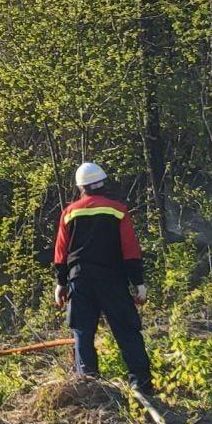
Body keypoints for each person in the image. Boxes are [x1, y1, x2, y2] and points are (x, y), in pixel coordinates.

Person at [53, 161, 153, 393]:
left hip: (79, 280)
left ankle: (87, 387)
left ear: (81, 187)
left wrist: (61, 283)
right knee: (127, 330)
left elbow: (61, 252)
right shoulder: (118, 210)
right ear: (103, 184)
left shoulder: (69, 213)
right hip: (112, 280)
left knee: (82, 332)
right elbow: (130, 250)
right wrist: (138, 283)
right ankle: (141, 385)